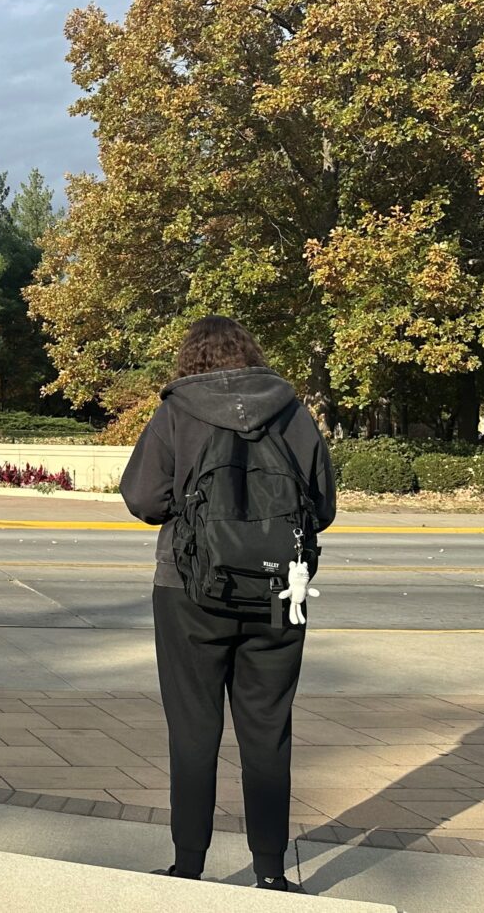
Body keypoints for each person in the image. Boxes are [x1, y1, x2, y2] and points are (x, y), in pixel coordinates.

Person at [120, 316, 335, 892]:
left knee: (193, 727)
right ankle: (270, 873)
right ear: (251, 352)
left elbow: (143, 498)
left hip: (189, 588)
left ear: (190, 358)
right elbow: (324, 503)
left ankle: (188, 865)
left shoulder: (177, 410)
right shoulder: (291, 410)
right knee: (268, 729)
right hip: (277, 589)